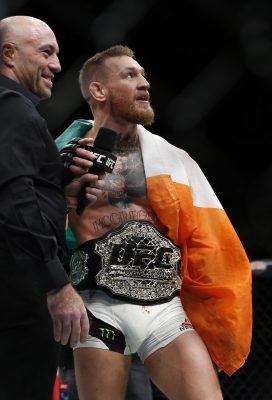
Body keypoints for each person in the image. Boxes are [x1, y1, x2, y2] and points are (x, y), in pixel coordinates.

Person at [55, 45, 252, 400]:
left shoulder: (174, 161)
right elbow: (32, 226)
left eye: (144, 75)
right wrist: (57, 181)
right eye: (130, 75)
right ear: (98, 90)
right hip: (99, 308)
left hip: (165, 309)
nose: (145, 84)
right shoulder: (64, 157)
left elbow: (206, 240)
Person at [0, 15, 103, 400]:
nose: (57, 65)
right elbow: (15, 201)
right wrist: (56, 285)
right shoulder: (11, 106)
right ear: (9, 54)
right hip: (18, 289)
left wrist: (58, 183)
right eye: (46, 52)